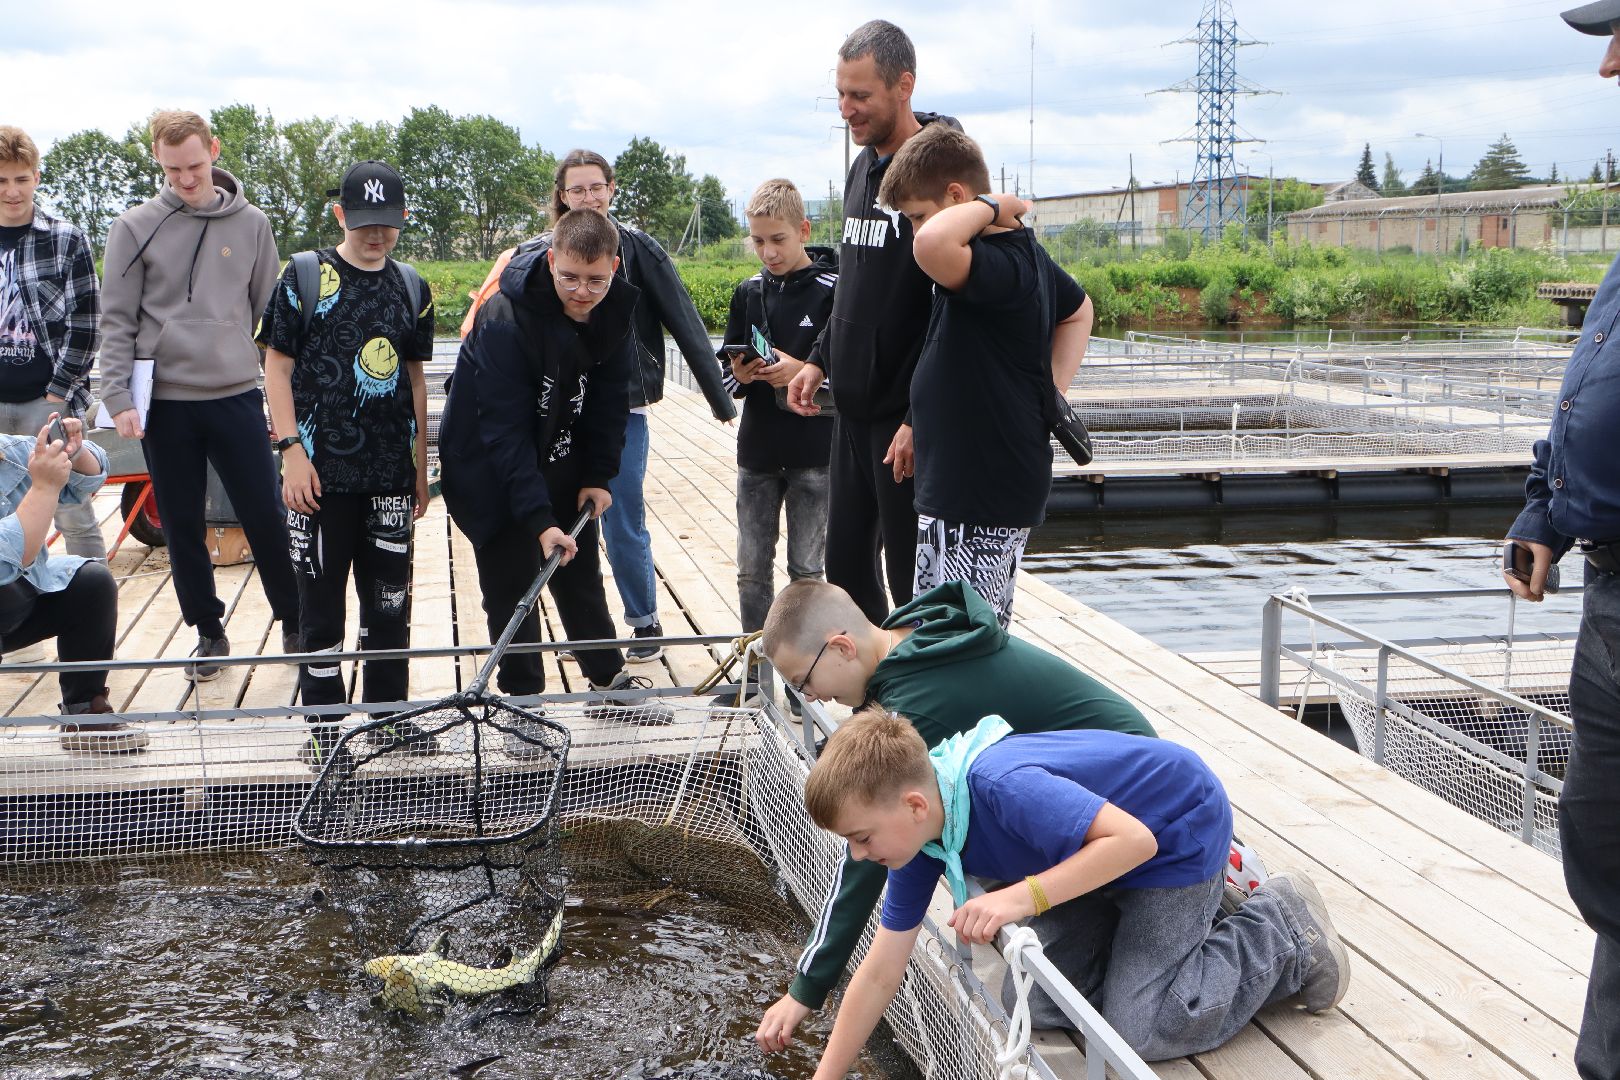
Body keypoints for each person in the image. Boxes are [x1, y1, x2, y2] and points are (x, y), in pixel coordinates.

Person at [797, 709, 1348, 1072]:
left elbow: (1135, 841)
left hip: (1173, 834)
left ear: (914, 805)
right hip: (1091, 862)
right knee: (1033, 1000)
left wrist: (1020, 898)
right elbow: (880, 970)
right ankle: (1181, 935)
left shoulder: (1001, 786)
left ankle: (1284, 929)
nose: (859, 855)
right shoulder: (919, 838)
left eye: (861, 838)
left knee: (1141, 1029)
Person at [754, 577, 1156, 1048]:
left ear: (841, 647)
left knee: (1137, 1023)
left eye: (804, 682)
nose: (811, 697)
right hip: (1066, 803)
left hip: (1134, 809)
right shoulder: (907, 637)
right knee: (1047, 1000)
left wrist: (807, 987)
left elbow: (862, 866)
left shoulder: (917, 704)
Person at [1505, 7, 1620, 1076]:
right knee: (1602, 843)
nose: (1609, 60)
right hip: (1608, 593)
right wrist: (1547, 510)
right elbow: (1593, 388)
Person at [438, 209, 672, 734]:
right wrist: (538, 519)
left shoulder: (613, 310)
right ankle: (523, 702)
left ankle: (607, 682)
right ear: (551, 262)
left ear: (614, 266)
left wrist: (598, 476)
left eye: (596, 279)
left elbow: (611, 402)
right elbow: (503, 430)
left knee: (579, 569)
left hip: (559, 452)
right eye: (570, 277)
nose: (583, 291)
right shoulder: (503, 318)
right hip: (488, 465)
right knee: (510, 584)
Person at [99, 109, 300, 680]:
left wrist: (290, 392)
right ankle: (208, 632)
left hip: (236, 393)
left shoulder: (253, 224)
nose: (186, 180)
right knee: (181, 524)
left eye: (194, 165)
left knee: (264, 512)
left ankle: (294, 619)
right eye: (172, 170)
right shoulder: (134, 228)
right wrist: (117, 396)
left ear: (213, 150)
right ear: (158, 163)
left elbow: (269, 317)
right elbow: (116, 319)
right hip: (166, 401)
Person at [878, 123, 1095, 627]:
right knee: (934, 626)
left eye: (916, 215)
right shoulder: (996, 259)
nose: (914, 229)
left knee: (970, 641)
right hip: (954, 481)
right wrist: (1052, 394)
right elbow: (1079, 310)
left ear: (957, 197)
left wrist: (994, 204)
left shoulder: (1006, 265)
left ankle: (973, 711)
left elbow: (930, 243)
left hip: (982, 490)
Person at [783, 20, 961, 625]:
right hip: (852, 411)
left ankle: (919, 706)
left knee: (911, 575)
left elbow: (954, 310)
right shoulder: (862, 167)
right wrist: (819, 358)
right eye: (840, 93)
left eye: (860, 96)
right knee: (847, 567)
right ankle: (874, 704)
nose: (845, 109)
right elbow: (854, 289)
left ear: (903, 86)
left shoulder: (938, 175)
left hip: (905, 419)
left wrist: (919, 416)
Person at [259, 161, 435, 768]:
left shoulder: (412, 285)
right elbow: (275, 369)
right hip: (318, 478)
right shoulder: (303, 275)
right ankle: (325, 729)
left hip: (388, 474)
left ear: (401, 219)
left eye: (386, 224)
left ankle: (388, 720)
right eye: (363, 223)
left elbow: (415, 377)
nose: (375, 236)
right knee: (321, 609)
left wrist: (419, 464)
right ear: (340, 216)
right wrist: (291, 453)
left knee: (390, 606)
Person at [548, 149, 739, 662]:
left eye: (595, 188)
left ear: (611, 189)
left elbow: (683, 317)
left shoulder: (638, 249)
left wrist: (719, 397)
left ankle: (644, 620)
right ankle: (584, 629)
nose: (587, 198)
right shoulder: (547, 254)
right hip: (562, 410)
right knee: (564, 522)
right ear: (562, 197)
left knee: (620, 515)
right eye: (576, 190)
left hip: (623, 407)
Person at [718, 179, 837, 644]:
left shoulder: (835, 290)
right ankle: (758, 671)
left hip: (815, 451)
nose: (768, 252)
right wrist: (744, 377)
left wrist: (805, 372)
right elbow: (729, 374)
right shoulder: (747, 292)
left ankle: (803, 673)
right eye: (759, 241)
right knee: (751, 570)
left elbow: (853, 374)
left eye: (778, 240)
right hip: (758, 450)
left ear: (803, 230)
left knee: (806, 571)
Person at [0, 127, 106, 566]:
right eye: (2, 180)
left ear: (37, 177)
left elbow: (87, 323)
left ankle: (93, 614)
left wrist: (59, 392)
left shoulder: (66, 239)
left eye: (21, 179)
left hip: (49, 402)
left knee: (72, 512)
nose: (12, 191)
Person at [0, 416, 134, 751]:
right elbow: (9, 557)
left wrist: (75, 454)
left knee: (91, 583)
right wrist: (44, 487)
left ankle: (84, 711)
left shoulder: (9, 451)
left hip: (13, 601)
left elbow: (86, 481)